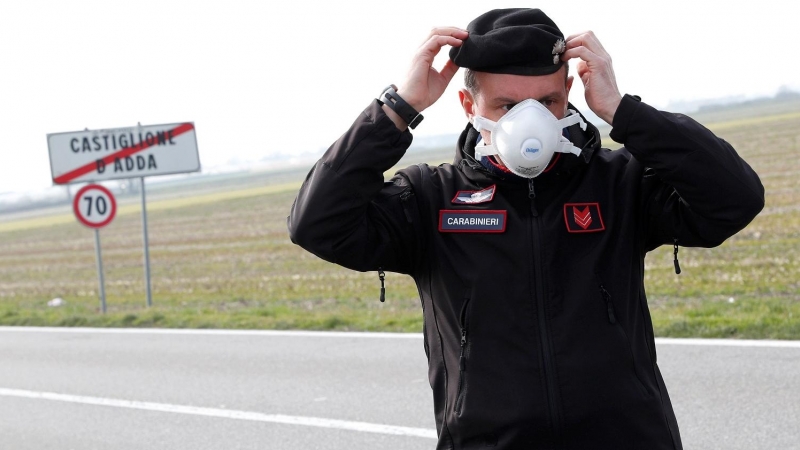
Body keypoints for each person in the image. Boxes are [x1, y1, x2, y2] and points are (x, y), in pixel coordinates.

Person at [287, 8, 764, 450]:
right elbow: (317, 224)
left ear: (568, 98)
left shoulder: (621, 183)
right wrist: (398, 107)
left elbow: (735, 198)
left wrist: (623, 111)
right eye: (506, 105)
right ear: (466, 103)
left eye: (547, 101)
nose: (529, 120)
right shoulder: (430, 199)